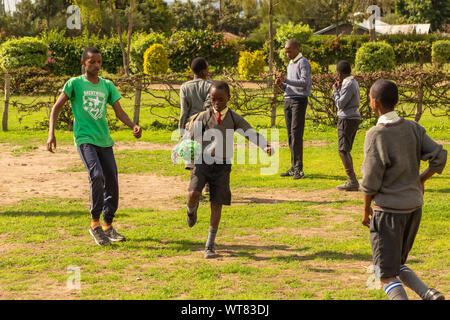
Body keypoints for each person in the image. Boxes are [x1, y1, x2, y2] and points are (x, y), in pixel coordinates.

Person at [46, 46, 142, 246]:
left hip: (104, 140)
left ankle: (108, 225)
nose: (97, 65)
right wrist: (51, 133)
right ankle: (95, 224)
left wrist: (133, 125)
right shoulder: (74, 84)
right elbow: (56, 108)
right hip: (85, 139)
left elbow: (119, 112)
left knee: (112, 182)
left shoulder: (107, 85)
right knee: (96, 175)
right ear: (84, 63)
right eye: (92, 62)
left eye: (99, 62)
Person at [361, 79, 447, 300]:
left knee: (384, 274)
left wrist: (366, 209)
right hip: (413, 209)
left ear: (375, 103)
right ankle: (429, 294)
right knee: (395, 264)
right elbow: (439, 157)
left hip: (388, 212)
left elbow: (370, 180)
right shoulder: (414, 128)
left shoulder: (376, 135)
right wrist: (421, 179)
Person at [185, 81, 273, 259]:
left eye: (221, 99)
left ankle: (210, 245)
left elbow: (250, 132)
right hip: (202, 162)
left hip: (222, 166)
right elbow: (190, 140)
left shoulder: (233, 118)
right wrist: (188, 158)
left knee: (216, 203)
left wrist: (265, 145)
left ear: (228, 98)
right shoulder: (202, 116)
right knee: (193, 193)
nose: (217, 103)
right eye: (213, 99)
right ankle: (190, 209)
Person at [275, 39, 312, 180]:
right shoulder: (290, 63)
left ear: (296, 49)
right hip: (288, 100)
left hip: (298, 101)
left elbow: (304, 83)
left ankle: (299, 170)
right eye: (286, 51)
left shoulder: (303, 62)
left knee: (296, 134)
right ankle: (293, 167)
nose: (287, 54)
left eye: (289, 51)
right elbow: (289, 86)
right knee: (291, 135)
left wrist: (286, 81)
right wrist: (281, 85)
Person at [179, 57, 212, 194]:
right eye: (208, 68)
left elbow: (183, 111)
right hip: (207, 125)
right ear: (204, 70)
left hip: (190, 126)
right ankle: (208, 186)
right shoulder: (210, 86)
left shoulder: (185, 87)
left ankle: (194, 187)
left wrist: (182, 129)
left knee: (193, 157)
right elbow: (209, 108)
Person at [332, 60, 361, 191]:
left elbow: (340, 103)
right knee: (346, 149)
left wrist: (335, 91)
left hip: (347, 118)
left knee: (342, 150)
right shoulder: (352, 82)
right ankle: (352, 180)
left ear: (339, 73)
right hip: (352, 117)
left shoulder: (348, 83)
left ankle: (352, 180)